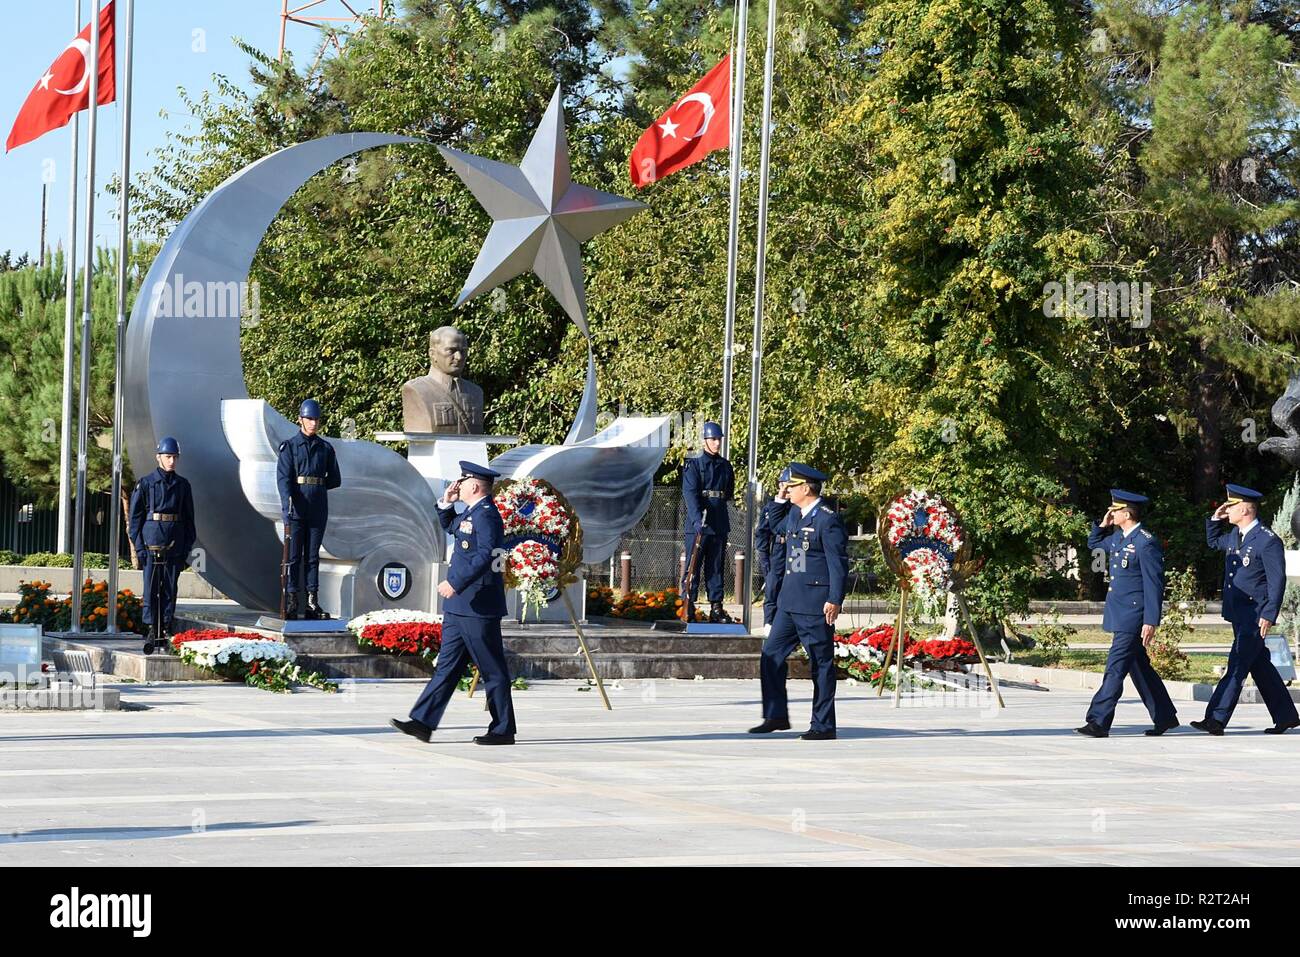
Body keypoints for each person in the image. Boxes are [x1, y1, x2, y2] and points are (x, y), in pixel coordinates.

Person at [392, 461, 518, 745]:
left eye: (462, 482)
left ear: (474, 486)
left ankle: (503, 729)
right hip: (460, 606)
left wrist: (455, 581)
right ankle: (423, 722)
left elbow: (486, 555)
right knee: (447, 666)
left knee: (492, 669)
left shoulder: (487, 515)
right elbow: (453, 528)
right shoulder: (472, 513)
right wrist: (446, 503)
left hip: (478, 604)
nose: (457, 485)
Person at [750, 462, 848, 740]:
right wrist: (780, 497)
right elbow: (774, 523)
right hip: (789, 602)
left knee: (822, 664)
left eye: (791, 486)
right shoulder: (795, 512)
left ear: (806, 488)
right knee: (771, 655)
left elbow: (838, 563)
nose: (787, 489)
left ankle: (823, 725)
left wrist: (835, 598)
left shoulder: (827, 519)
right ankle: (776, 715)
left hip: (815, 604)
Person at [1193, 484, 1300, 735]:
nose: (1227, 510)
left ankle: (1216, 718)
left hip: (1255, 613)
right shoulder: (1235, 535)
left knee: (1238, 664)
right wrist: (1214, 519)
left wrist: (1269, 614)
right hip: (1238, 611)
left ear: (1244, 509)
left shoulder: (1267, 540)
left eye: (1231, 506)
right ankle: (1286, 715)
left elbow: (1277, 580)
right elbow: (1212, 542)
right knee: (1259, 664)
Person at [1075, 490, 1178, 738]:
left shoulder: (1146, 542)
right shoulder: (1119, 537)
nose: (1111, 513)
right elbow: (1094, 546)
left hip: (1133, 614)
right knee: (1139, 667)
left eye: (1115, 510)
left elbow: (1154, 584)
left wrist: (1151, 621)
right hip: (1119, 612)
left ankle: (1098, 721)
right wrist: (1101, 526)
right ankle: (1164, 716)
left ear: (1127, 513)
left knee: (1115, 667)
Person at [275, 399, 341, 620]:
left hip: (318, 508)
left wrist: (316, 486)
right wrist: (288, 506)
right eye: (309, 419)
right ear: (300, 420)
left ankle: (312, 601)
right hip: (297, 508)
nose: (313, 423)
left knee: (313, 556)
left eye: (316, 419)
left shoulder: (325, 448)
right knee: (294, 557)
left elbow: (335, 479)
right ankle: (293, 600)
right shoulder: (290, 447)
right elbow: (284, 480)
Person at [128, 436, 196, 640]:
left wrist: (186, 549)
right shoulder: (146, 483)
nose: (172, 461)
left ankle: (166, 625)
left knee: (169, 588)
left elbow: (189, 519)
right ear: (158, 457)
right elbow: (135, 519)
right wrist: (139, 548)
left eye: (175, 457)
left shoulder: (183, 485)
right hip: (151, 543)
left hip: (175, 544)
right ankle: (151, 627)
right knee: (150, 588)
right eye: (168, 457)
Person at [681, 420, 736, 622]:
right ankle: (688, 604)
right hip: (699, 524)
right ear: (705, 440)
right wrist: (697, 521)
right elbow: (690, 494)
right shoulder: (694, 464)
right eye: (713, 439)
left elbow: (728, 492)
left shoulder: (725, 466)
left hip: (719, 522)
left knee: (715, 567)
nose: (717, 443)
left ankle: (716, 607)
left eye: (719, 439)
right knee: (693, 566)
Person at [754, 467, 793, 633]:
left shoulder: (798, 507)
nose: (787, 489)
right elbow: (762, 534)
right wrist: (764, 559)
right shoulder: (771, 506)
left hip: (794, 554)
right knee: (772, 589)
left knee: (792, 589)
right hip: (776, 552)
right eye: (785, 485)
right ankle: (769, 625)